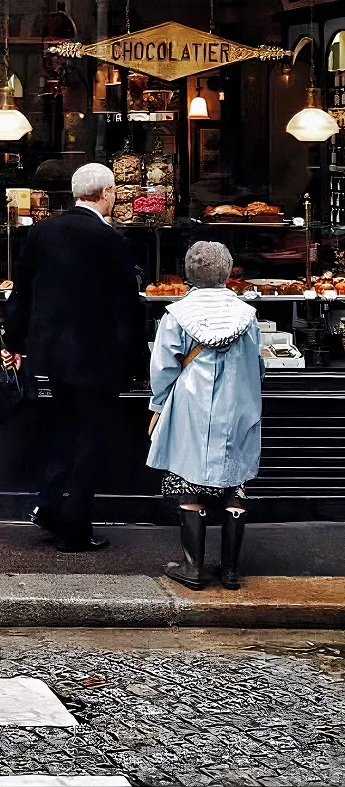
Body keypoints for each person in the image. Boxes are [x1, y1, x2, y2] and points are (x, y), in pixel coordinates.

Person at [0, 162, 145, 552]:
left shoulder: (43, 232)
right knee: (91, 442)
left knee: (64, 433)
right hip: (98, 358)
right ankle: (74, 529)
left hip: (53, 356)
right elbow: (126, 309)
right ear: (108, 193)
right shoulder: (112, 241)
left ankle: (49, 506)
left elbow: (21, 292)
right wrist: (138, 362)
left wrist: (13, 342)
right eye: (114, 192)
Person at [147, 240, 263, 591]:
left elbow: (164, 368)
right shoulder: (248, 315)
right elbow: (257, 365)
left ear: (189, 272)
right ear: (227, 272)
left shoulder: (176, 315)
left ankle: (193, 568)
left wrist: (156, 405)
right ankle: (230, 571)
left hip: (190, 406)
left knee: (187, 477)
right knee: (236, 480)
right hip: (239, 405)